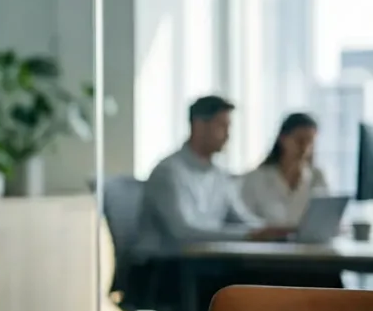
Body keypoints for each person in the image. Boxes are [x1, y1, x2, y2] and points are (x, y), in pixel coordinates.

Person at [135, 95, 291, 259]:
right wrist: (249, 235)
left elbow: (241, 218)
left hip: (203, 261)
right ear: (199, 126)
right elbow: (184, 233)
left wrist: (273, 231)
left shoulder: (219, 176)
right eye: (222, 126)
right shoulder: (169, 172)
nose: (228, 135)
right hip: (163, 265)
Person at [240, 113, 328, 226]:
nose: (305, 148)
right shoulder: (255, 179)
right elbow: (243, 222)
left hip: (308, 237)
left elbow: (326, 217)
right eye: (300, 141)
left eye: (310, 142)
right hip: (266, 237)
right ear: (283, 139)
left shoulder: (317, 177)